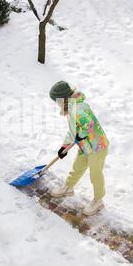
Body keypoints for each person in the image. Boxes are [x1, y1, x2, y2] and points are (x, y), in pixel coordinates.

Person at [49, 81, 109, 216]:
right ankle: (68, 187)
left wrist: (80, 135)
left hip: (97, 146)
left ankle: (98, 201)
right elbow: (73, 132)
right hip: (85, 146)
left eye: (57, 101)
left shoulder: (78, 108)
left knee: (95, 174)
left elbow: (89, 125)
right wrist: (64, 147)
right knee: (77, 167)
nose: (57, 103)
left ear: (63, 98)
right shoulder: (71, 109)